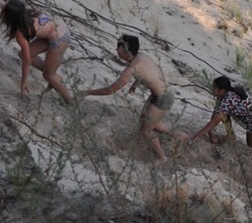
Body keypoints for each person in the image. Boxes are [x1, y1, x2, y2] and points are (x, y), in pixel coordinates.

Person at [78, 34, 186, 162]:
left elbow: (111, 89)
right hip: (159, 94)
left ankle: (161, 157)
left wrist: (87, 92)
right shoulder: (141, 56)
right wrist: (136, 83)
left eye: (118, 48)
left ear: (125, 50)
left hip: (164, 97)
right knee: (149, 123)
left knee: (146, 130)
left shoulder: (133, 67)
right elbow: (151, 73)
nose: (116, 50)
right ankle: (179, 135)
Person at [0, 0, 73, 103]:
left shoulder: (20, 31)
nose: (2, 5)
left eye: (5, 6)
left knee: (48, 75)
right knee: (24, 55)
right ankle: (55, 77)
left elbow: (27, 61)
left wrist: (23, 83)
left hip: (60, 38)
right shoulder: (24, 13)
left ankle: (71, 101)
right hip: (53, 32)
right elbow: (6, 13)